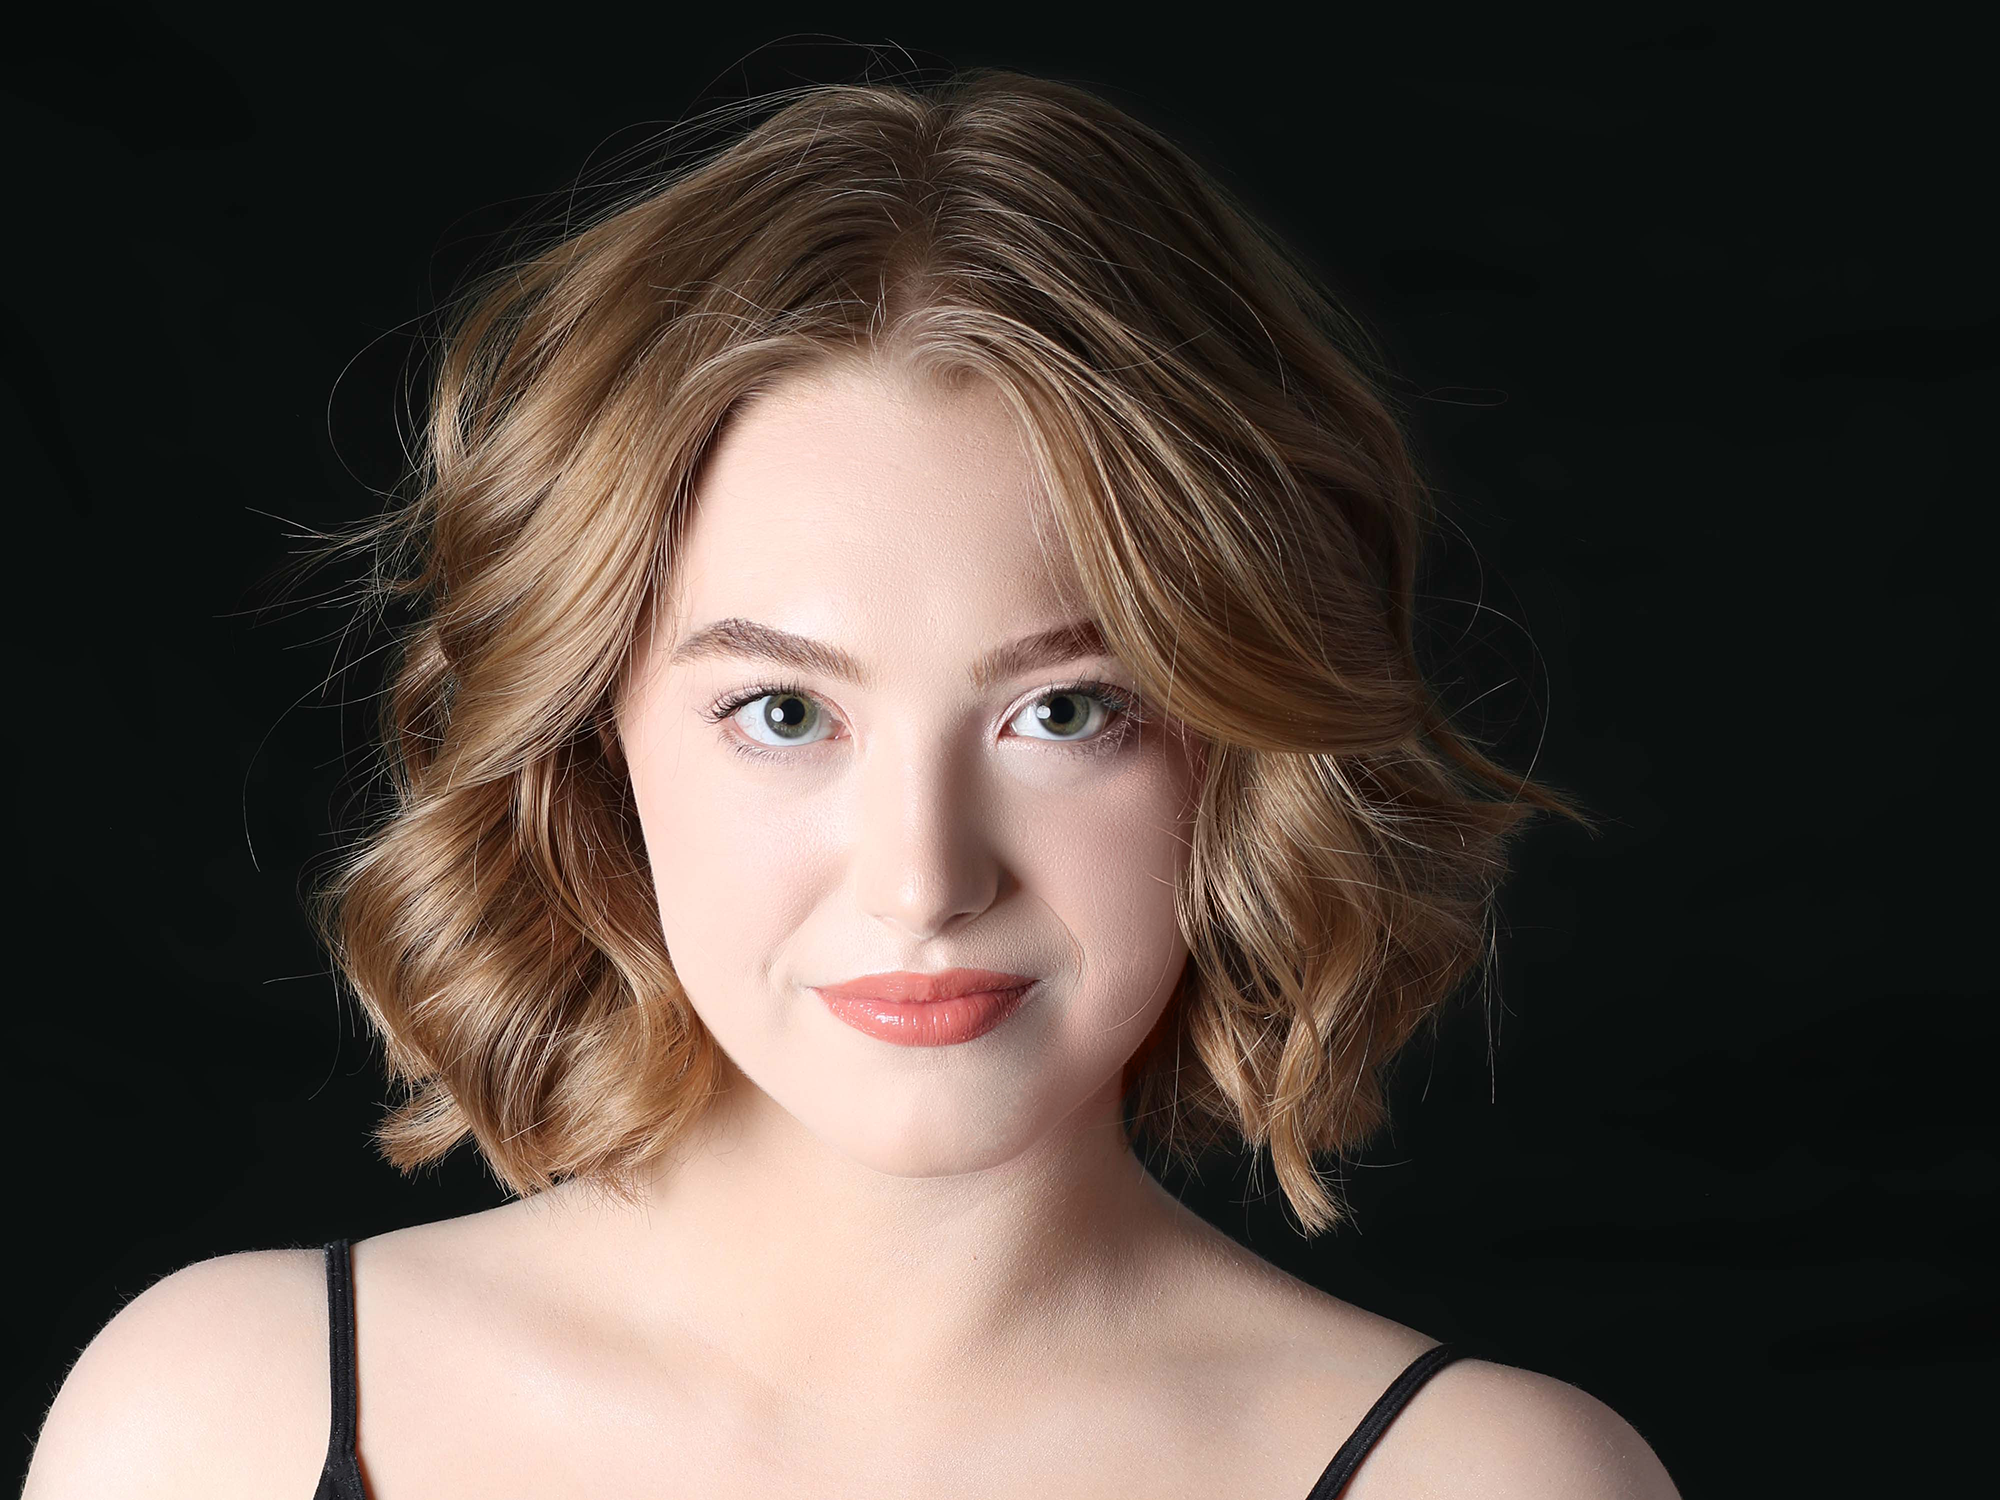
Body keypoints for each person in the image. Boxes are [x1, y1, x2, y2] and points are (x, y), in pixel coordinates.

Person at [24, 67, 1680, 1499]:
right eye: (784, 714)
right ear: (596, 744)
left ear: (1239, 745)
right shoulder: (218, 1426)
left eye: (1066, 712)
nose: (921, 877)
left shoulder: (1480, 1483)